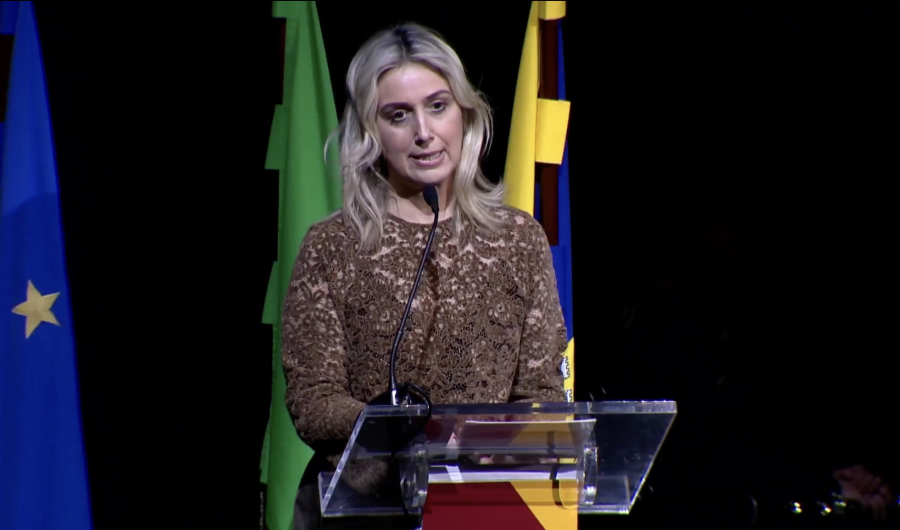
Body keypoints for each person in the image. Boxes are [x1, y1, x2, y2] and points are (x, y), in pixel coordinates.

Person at [281, 22, 569, 530]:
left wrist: (477, 443)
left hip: (482, 506)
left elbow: (541, 393)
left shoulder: (519, 240)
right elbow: (313, 402)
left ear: (465, 112)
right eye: (398, 115)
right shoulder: (331, 246)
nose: (423, 132)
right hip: (364, 509)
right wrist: (409, 432)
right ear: (370, 131)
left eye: (438, 106)